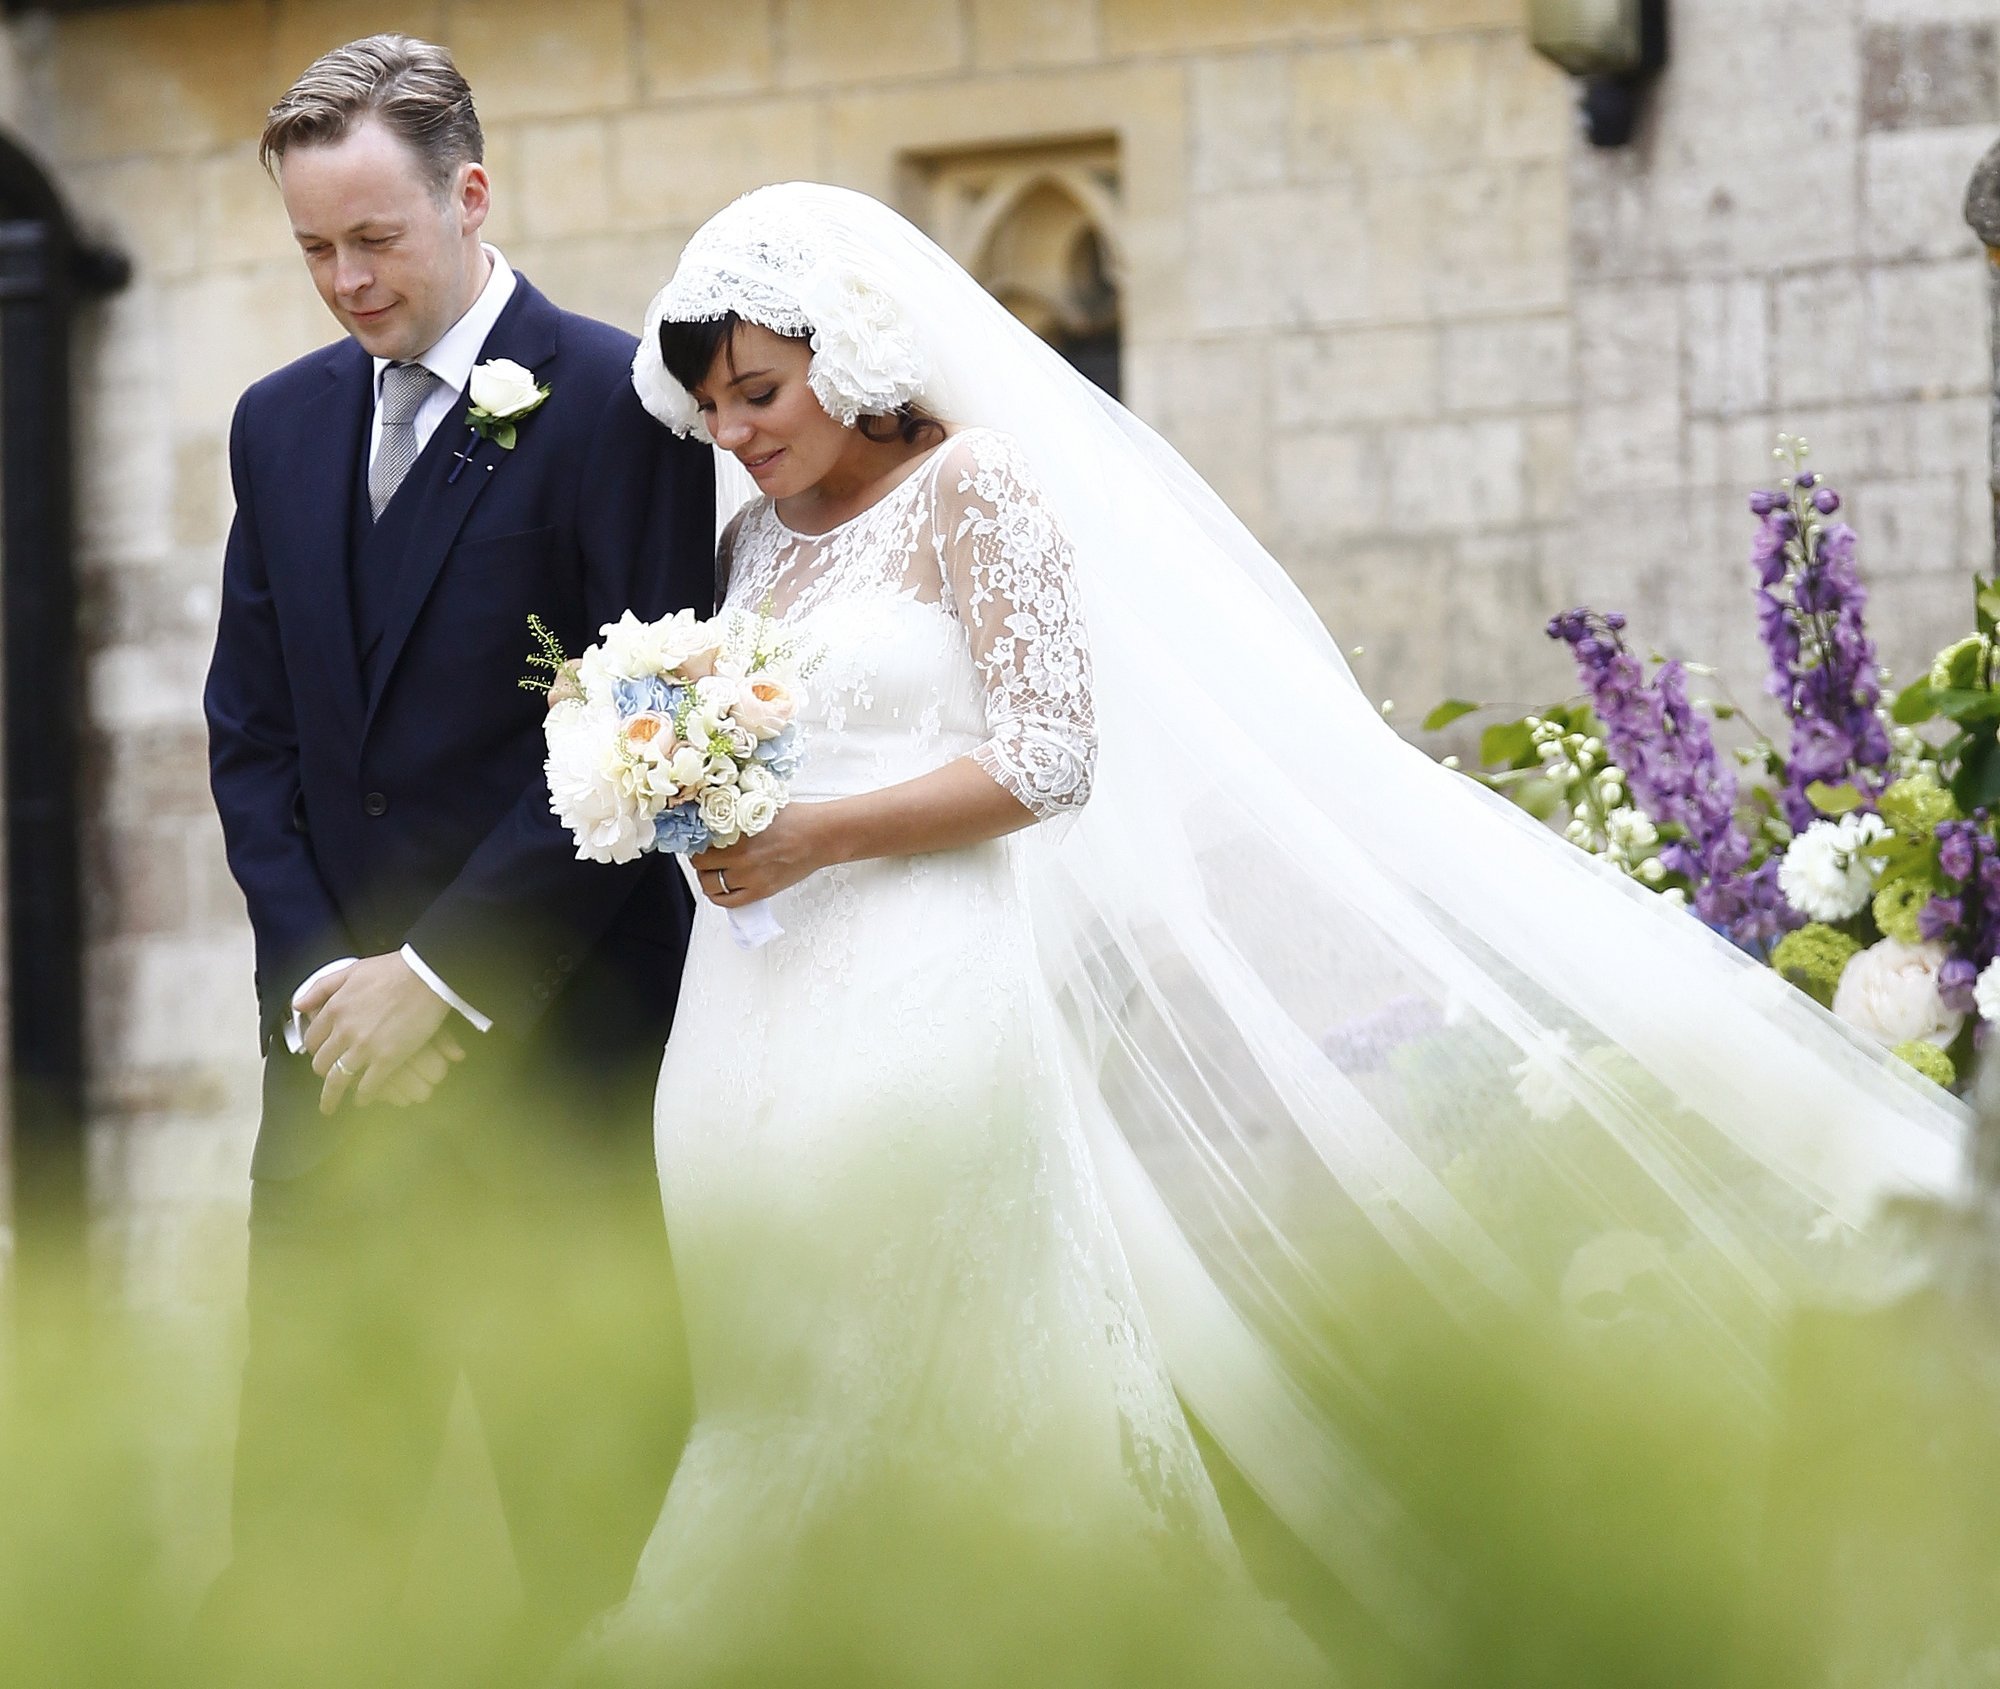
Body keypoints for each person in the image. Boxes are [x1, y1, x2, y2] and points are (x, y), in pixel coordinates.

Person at [566, 183, 1970, 1684]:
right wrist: (672, 784)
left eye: (761, 392)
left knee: (914, 1352)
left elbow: (1050, 757)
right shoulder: (751, 547)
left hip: (920, 986)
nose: (736, 430)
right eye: (712, 405)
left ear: (844, 353)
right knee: (766, 1367)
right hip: (747, 1009)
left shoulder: (973, 485)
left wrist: (819, 835)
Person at [199, 35, 712, 1680]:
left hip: (558, 1088)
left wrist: (440, 977)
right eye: (313, 248)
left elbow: (643, 743)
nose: (345, 280)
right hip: (334, 1091)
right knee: (304, 1565)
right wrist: (330, 987)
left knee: (595, 1552)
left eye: (375, 239)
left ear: (469, 194)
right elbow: (254, 740)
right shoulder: (277, 425)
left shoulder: (619, 406)